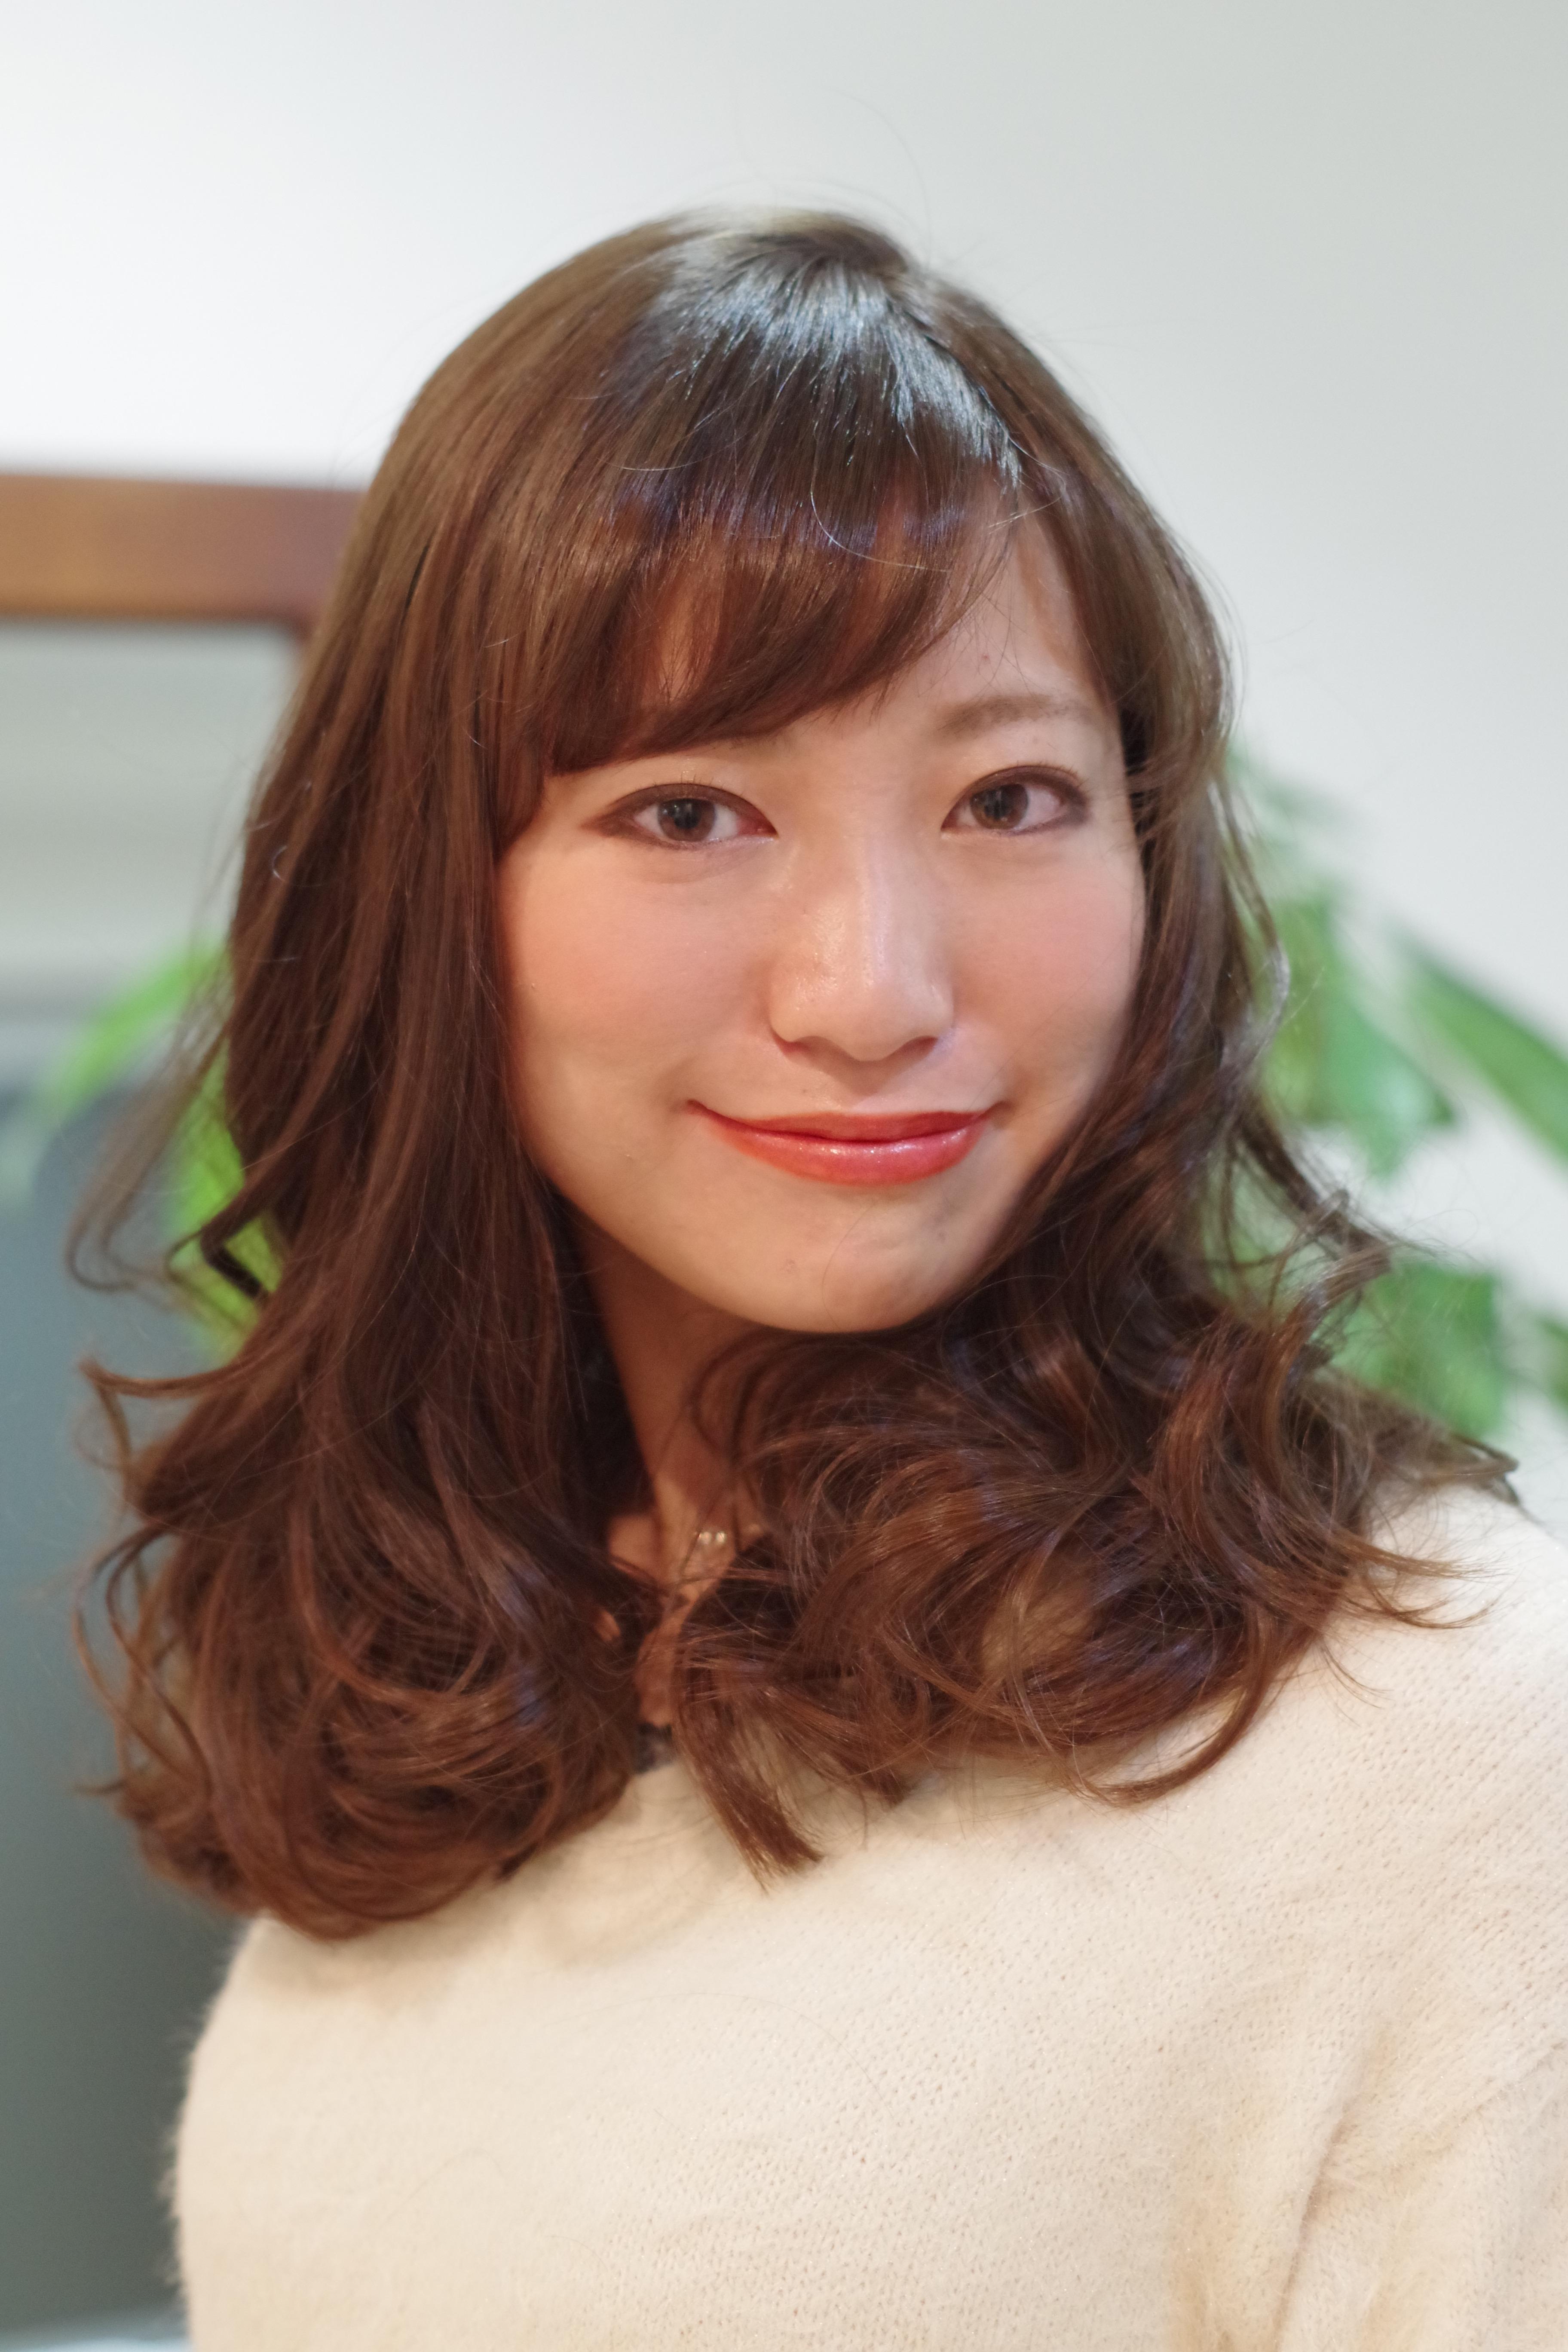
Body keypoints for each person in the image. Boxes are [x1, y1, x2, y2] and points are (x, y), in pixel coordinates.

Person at [79, 213, 1568, 2347]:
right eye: (690, 812)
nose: (874, 989)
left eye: (1010, 797)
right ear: (429, 893)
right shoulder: (466, 1692)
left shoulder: (1427, 1728)